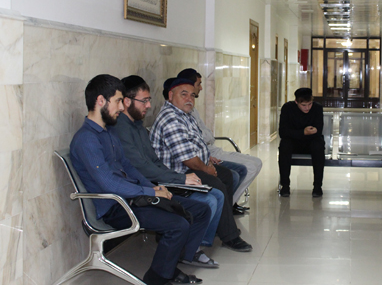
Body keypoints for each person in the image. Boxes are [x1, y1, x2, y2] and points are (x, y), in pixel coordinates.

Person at [70, 74, 209, 285]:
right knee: (178, 225)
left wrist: (153, 187)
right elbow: (109, 183)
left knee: (198, 210)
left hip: (131, 197)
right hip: (115, 207)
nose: (121, 107)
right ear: (100, 101)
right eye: (118, 101)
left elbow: (127, 166)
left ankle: (169, 265)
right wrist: (150, 192)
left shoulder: (108, 132)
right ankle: (158, 278)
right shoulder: (86, 139)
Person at [113, 75, 223, 267]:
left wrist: (175, 179)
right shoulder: (120, 129)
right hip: (141, 192)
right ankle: (188, 251)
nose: (149, 106)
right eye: (144, 101)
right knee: (208, 201)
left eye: (149, 100)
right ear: (127, 101)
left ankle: (191, 248)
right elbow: (141, 167)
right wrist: (179, 180)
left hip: (155, 184)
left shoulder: (137, 126)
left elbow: (154, 162)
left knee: (214, 194)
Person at [150, 77, 252, 252]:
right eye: (184, 94)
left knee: (228, 175)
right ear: (171, 95)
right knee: (217, 184)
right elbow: (188, 159)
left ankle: (222, 225)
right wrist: (206, 169)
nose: (189, 99)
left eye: (192, 95)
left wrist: (208, 161)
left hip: (191, 167)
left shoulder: (184, 114)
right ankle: (229, 236)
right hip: (179, 174)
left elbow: (196, 144)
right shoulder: (170, 119)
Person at [177, 68, 263, 213]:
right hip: (204, 156)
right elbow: (198, 140)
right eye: (198, 84)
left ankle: (229, 205)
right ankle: (228, 208)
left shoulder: (191, 109)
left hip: (210, 151)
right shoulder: (177, 116)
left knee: (256, 162)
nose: (201, 88)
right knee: (246, 168)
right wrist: (207, 160)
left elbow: (204, 135)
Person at [278, 87, 325, 198]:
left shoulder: (317, 108)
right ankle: (285, 185)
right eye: (303, 105)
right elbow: (283, 132)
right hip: (293, 142)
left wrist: (313, 131)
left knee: (318, 146)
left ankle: (317, 186)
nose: (307, 108)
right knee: (284, 146)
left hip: (311, 141)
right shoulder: (287, 108)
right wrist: (302, 132)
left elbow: (319, 129)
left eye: (309, 104)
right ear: (296, 102)